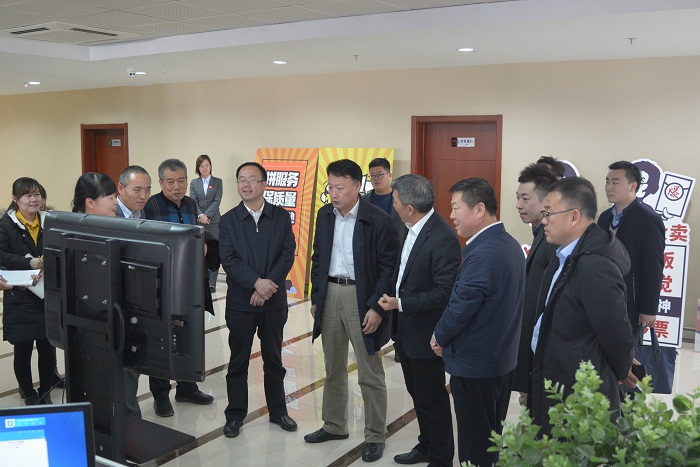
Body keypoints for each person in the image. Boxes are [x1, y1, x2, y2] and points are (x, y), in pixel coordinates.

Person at [305, 159, 398, 463]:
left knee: (369, 370)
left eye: (340, 187)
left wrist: (376, 307)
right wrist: (316, 297)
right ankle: (334, 425)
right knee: (332, 365)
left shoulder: (378, 219)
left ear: (358, 186)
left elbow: (388, 268)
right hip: (331, 293)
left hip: (363, 296)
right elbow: (318, 257)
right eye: (330, 187)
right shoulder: (325, 215)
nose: (334, 193)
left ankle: (375, 435)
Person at [430, 178, 525, 467]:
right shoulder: (508, 244)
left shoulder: (484, 253)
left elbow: (462, 306)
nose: (451, 215)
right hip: (500, 360)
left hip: (477, 365)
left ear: (479, 209)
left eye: (456, 207)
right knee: (490, 438)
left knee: (475, 445)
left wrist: (439, 336)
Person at [531, 177, 635, 435]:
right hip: (559, 373)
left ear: (574, 216)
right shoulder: (568, 254)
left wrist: (621, 369)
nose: (544, 221)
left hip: (577, 384)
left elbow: (615, 329)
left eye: (548, 213)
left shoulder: (594, 265)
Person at [377, 174, 460, 467]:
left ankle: (441, 457)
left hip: (426, 333)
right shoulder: (409, 227)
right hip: (405, 330)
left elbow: (443, 292)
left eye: (396, 201)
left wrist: (401, 303)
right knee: (418, 394)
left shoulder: (442, 237)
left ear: (410, 207)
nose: (394, 205)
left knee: (432, 397)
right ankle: (427, 444)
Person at [219, 162, 296, 438]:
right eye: (241, 179)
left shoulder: (280, 216)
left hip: (273, 303)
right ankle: (235, 415)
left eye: (252, 179)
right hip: (240, 303)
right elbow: (228, 260)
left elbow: (287, 254)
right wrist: (256, 283)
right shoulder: (228, 220)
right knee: (238, 361)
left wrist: (267, 287)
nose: (246, 184)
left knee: (274, 359)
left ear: (264, 184)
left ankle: (278, 411)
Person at [144, 158, 214, 417]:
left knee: (188, 335)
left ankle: (187, 387)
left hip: (189, 282)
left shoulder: (191, 204)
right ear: (161, 182)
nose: (176, 186)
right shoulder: (150, 206)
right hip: (162, 283)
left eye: (181, 180)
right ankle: (160, 395)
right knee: (160, 340)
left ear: (187, 180)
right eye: (170, 181)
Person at [0, 177, 57, 405]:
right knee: (23, 349)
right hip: (19, 296)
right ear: (15, 199)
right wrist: (28, 263)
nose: (34, 199)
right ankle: (29, 393)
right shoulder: (6, 224)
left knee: (48, 348)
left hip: (46, 294)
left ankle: (45, 392)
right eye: (27, 195)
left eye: (37, 194)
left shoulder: (49, 220)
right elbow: (1, 255)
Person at [512, 163, 558, 408]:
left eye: (525, 198)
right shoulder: (540, 232)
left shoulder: (554, 239)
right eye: (518, 198)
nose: (519, 204)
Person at [598, 161, 665, 330]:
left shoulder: (648, 220)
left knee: (627, 344)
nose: (608, 187)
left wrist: (648, 309)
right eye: (607, 182)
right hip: (603, 296)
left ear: (632, 186)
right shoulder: (604, 217)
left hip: (630, 300)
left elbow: (653, 268)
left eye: (615, 183)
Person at [115, 165, 152, 417]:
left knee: (133, 358)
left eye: (147, 190)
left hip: (136, 298)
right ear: (120, 188)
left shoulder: (141, 214)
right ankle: (128, 416)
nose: (143, 196)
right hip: (115, 298)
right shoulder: (110, 214)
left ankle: (129, 413)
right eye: (137, 190)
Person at [190, 154, 223, 292]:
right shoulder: (194, 183)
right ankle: (200, 281)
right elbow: (193, 201)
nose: (204, 168)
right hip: (198, 221)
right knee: (199, 250)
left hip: (214, 221)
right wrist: (200, 215)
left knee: (214, 250)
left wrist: (207, 215)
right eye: (201, 166)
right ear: (198, 168)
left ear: (210, 166)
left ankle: (212, 283)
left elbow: (217, 200)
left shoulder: (218, 182)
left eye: (207, 165)